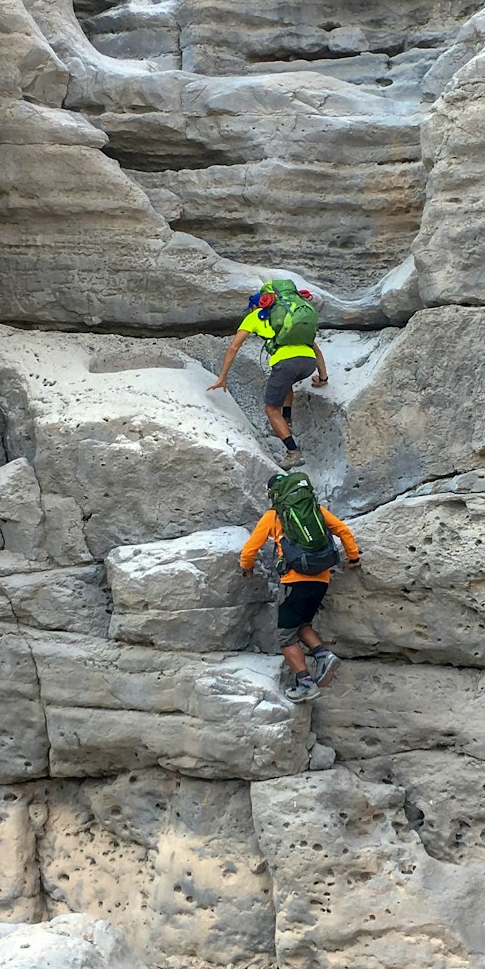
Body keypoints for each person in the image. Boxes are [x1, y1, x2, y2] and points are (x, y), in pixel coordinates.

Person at [240, 474, 360, 703]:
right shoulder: (316, 510)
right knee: (301, 623)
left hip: (294, 581)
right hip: (321, 579)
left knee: (285, 634)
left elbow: (249, 550)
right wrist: (353, 558)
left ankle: (305, 683)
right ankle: (324, 655)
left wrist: (246, 568)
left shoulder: (273, 516)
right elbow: (343, 530)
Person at [207, 292, 329, 471]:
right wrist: (323, 378)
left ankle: (293, 452)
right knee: (286, 384)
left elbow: (234, 346)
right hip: (308, 363)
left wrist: (222, 377)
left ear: (256, 306)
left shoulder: (254, 317)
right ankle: (286, 421)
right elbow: (316, 349)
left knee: (271, 409)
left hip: (285, 364)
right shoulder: (290, 321)